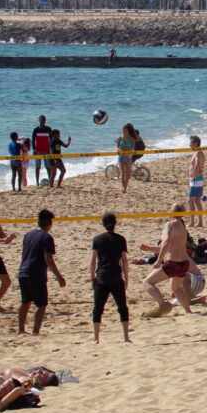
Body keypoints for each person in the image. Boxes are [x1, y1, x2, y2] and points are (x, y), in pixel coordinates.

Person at [16, 209, 65, 335]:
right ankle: (35, 331)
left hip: (23, 272)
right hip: (35, 274)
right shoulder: (47, 237)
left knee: (25, 302)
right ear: (49, 223)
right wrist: (59, 276)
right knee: (42, 305)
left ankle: (21, 330)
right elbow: (48, 259)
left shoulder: (28, 235)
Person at [89, 212, 131, 343]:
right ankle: (126, 337)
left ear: (103, 224)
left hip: (102, 276)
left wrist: (92, 277)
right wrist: (127, 278)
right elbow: (124, 261)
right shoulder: (121, 239)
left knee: (98, 308)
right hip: (116, 276)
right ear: (115, 224)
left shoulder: (97, 239)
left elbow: (92, 261)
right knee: (122, 307)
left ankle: (96, 338)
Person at [145, 205, 194, 315]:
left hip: (173, 263)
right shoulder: (182, 225)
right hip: (184, 263)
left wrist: (158, 260)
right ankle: (188, 311)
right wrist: (149, 248)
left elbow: (166, 243)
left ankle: (163, 304)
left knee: (148, 282)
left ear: (172, 212)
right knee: (176, 288)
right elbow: (174, 245)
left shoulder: (170, 224)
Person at [186, 135, 206, 228]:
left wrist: (194, 173)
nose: (189, 145)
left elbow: (198, 164)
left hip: (196, 179)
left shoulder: (198, 153)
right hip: (196, 179)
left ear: (195, 143)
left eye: (191, 143)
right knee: (197, 201)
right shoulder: (197, 152)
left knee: (191, 200)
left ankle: (192, 222)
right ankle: (200, 222)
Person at [31, 115, 53, 187]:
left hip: (47, 150)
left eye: (43, 120)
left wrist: (51, 150)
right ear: (39, 120)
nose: (42, 121)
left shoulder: (48, 129)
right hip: (38, 151)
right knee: (38, 167)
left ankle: (50, 181)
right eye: (41, 120)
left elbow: (52, 140)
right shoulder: (36, 130)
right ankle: (37, 182)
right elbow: (33, 140)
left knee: (48, 167)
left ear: (45, 121)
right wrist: (34, 149)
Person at [116, 123, 137, 192]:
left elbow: (133, 149)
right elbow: (117, 148)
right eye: (123, 131)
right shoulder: (120, 138)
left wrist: (130, 153)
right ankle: (124, 189)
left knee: (128, 175)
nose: (123, 132)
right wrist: (118, 150)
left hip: (128, 157)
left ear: (128, 131)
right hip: (121, 157)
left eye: (125, 131)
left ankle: (125, 187)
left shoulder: (132, 139)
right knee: (122, 174)